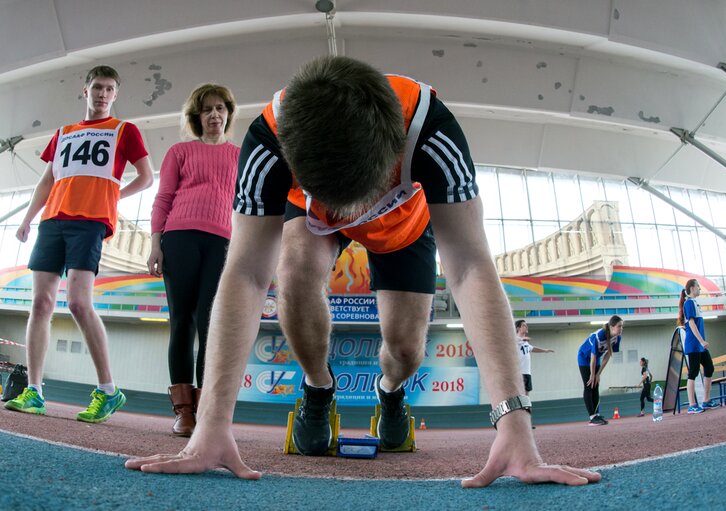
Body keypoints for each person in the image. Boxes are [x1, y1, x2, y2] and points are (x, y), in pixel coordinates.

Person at [125, 56, 601, 487]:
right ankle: (318, 388)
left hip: (402, 225)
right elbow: (247, 274)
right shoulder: (266, 142)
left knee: (406, 349)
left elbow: (471, 268)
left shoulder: (432, 130)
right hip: (307, 216)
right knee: (290, 272)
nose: (348, 217)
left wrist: (515, 426)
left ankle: (390, 393)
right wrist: (210, 427)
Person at [7, 65, 154, 422]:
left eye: (109, 89)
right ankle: (35, 391)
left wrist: (112, 196)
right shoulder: (64, 133)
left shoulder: (124, 130)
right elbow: (46, 182)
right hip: (53, 220)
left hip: (89, 223)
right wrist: (28, 218)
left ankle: (108, 391)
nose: (102, 94)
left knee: (77, 303)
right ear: (84, 91)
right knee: (40, 303)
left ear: (115, 95)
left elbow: (147, 177)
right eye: (97, 88)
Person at [148, 84, 240, 437]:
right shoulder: (179, 151)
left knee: (210, 326)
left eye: (220, 108)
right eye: (207, 110)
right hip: (179, 239)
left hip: (221, 244)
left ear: (228, 113)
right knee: (181, 324)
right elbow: (163, 198)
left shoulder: (238, 155)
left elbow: (244, 206)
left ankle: (205, 411)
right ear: (196, 117)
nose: (214, 115)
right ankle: (184, 412)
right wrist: (156, 245)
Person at [678, 278, 719, 413]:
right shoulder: (689, 303)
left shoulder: (694, 303)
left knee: (709, 367)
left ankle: (706, 400)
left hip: (699, 345)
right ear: (692, 288)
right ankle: (692, 405)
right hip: (693, 344)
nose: (700, 289)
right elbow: (691, 324)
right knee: (693, 373)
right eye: (698, 287)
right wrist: (701, 341)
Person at [577, 315, 624, 426]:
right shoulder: (600, 335)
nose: (621, 329)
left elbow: (608, 355)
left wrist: (598, 374)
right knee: (589, 384)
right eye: (619, 326)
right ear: (612, 327)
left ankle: (597, 414)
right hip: (584, 357)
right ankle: (592, 416)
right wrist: (592, 374)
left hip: (596, 358)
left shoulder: (617, 338)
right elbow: (592, 357)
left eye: (622, 327)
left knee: (596, 385)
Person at [515, 319, 553, 427]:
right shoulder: (516, 339)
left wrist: (545, 350)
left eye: (526, 325)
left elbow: (532, 348)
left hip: (527, 373)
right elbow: (512, 339)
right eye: (523, 325)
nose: (526, 327)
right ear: (518, 328)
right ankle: (519, 422)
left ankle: (526, 422)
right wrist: (522, 338)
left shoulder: (525, 342)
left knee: (526, 397)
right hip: (519, 373)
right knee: (521, 397)